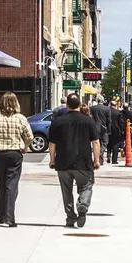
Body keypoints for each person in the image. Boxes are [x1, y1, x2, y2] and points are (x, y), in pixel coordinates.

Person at [48, 95, 100, 228]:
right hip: (83, 162)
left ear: (67, 105)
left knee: (66, 191)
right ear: (80, 104)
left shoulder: (58, 121)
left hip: (63, 162)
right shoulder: (88, 121)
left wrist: (52, 160)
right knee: (87, 186)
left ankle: (70, 218)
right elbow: (96, 142)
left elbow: (52, 143)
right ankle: (83, 204)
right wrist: (96, 160)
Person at [0, 92, 32, 228]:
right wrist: (25, 147)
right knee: (12, 185)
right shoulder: (21, 118)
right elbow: (29, 136)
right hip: (15, 154)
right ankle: (10, 217)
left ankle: (1, 215)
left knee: (1, 184)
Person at [90, 96, 111, 164]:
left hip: (95, 127)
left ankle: (97, 156)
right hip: (104, 128)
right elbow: (109, 120)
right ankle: (100, 154)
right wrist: (109, 129)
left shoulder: (92, 108)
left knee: (95, 143)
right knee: (104, 142)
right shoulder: (107, 109)